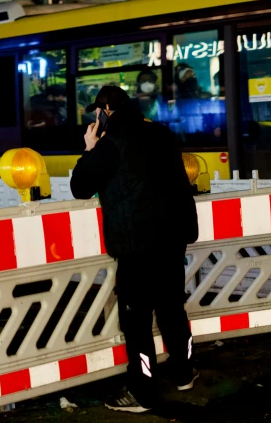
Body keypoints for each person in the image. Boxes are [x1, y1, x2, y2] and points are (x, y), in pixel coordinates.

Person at [70, 85, 199, 413]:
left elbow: (80, 187)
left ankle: (142, 392)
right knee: (172, 308)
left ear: (104, 112)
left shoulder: (110, 144)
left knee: (136, 321)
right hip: (172, 240)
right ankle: (183, 373)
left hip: (136, 246)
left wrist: (89, 148)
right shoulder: (163, 134)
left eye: (96, 113)